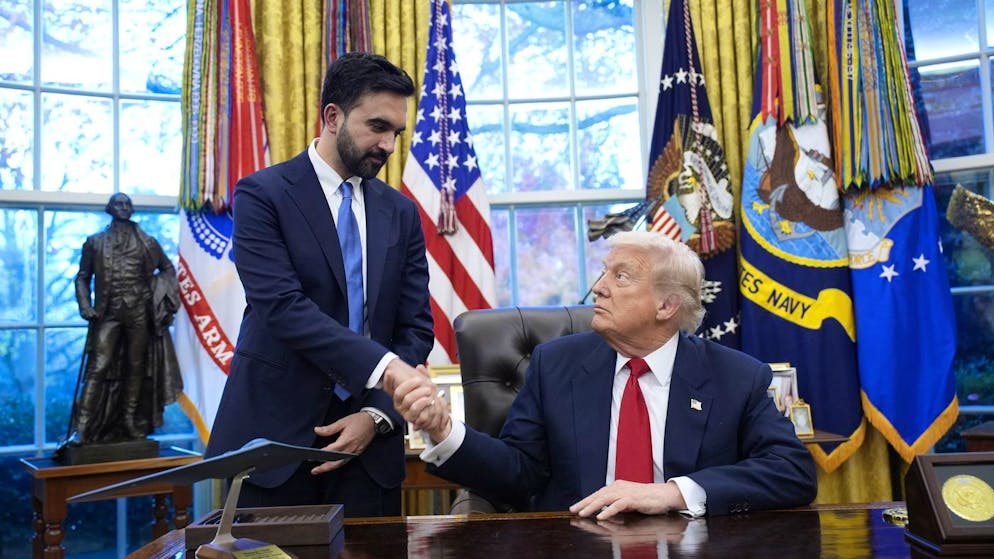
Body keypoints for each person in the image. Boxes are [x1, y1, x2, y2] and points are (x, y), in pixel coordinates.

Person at [395, 231, 817, 518]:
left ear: (666, 306)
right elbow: (518, 473)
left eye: (621, 276)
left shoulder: (735, 376)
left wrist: (672, 493)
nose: (598, 286)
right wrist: (443, 428)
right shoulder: (554, 365)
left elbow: (792, 472)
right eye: (604, 272)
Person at [205, 52, 436, 517]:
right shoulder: (261, 194)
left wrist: (376, 415)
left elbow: (416, 328)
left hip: (370, 453)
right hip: (274, 444)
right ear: (333, 116)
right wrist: (389, 370)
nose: (389, 145)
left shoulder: (402, 212)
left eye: (396, 132)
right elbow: (283, 307)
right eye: (377, 126)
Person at [65, 192, 182, 446]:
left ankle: (130, 420)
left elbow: (167, 269)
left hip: (138, 312)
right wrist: (85, 305)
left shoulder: (147, 243)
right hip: (108, 314)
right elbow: (82, 277)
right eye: (119, 203)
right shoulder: (95, 243)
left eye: (128, 203)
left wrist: (156, 292)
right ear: (110, 208)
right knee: (98, 366)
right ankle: (82, 427)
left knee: (136, 367)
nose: (124, 207)